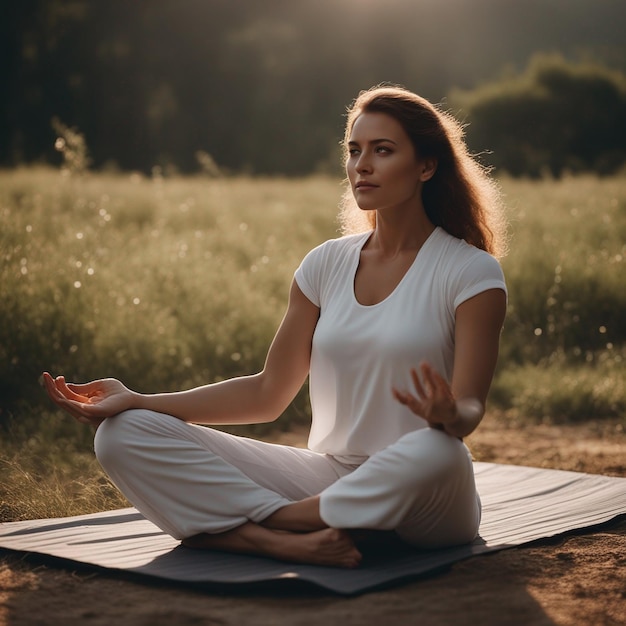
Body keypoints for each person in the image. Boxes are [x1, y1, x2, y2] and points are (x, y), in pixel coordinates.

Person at [43, 85, 508, 569]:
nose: (361, 165)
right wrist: (140, 401)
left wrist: (446, 414)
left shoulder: (470, 271)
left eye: (382, 151)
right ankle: (281, 538)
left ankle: (272, 522)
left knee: (437, 450)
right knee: (122, 434)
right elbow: (267, 392)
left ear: (426, 166)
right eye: (354, 151)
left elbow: (470, 408)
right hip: (331, 477)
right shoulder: (325, 264)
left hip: (426, 497)